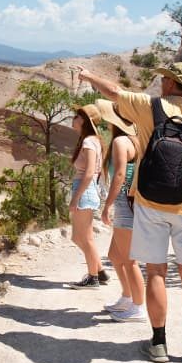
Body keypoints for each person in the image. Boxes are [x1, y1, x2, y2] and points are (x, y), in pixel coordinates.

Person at [77, 62, 182, 363]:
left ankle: (158, 344)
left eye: (163, 79)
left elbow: (114, 93)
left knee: (155, 271)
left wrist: (89, 75)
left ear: (170, 83)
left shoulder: (149, 107)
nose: (160, 82)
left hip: (150, 202)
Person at [95, 99, 146, 322]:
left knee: (129, 260)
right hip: (131, 202)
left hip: (125, 203)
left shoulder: (120, 142)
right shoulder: (136, 139)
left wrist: (107, 205)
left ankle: (138, 307)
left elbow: (119, 175)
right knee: (115, 256)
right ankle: (127, 297)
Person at [68, 103, 109, 289]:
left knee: (84, 238)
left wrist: (76, 197)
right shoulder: (92, 140)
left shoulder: (88, 142)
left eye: (77, 116)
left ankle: (93, 277)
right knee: (79, 237)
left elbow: (90, 171)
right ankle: (99, 271)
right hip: (87, 189)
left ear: (84, 121)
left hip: (84, 190)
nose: (74, 118)